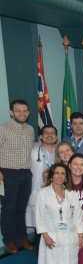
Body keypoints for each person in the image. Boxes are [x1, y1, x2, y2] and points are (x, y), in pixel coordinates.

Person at [1, 99, 36, 254]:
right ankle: (8, 240)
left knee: (21, 207)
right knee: (9, 207)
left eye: (25, 111)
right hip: (8, 174)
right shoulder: (3, 129)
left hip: (25, 174)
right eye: (18, 111)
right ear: (11, 112)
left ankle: (21, 236)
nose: (22, 114)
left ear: (28, 112)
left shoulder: (30, 129)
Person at [35, 163, 83, 264]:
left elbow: (78, 215)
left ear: (66, 177)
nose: (60, 176)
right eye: (57, 173)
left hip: (70, 237)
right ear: (52, 175)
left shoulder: (71, 194)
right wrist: (46, 236)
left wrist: (80, 234)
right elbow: (39, 217)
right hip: (51, 237)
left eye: (63, 174)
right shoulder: (43, 193)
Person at [26, 124, 58, 230]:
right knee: (39, 226)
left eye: (52, 133)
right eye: (46, 133)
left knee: (56, 223)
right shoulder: (32, 153)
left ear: (56, 137)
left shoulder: (61, 152)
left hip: (57, 193)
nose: (49, 135)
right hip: (38, 192)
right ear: (40, 137)